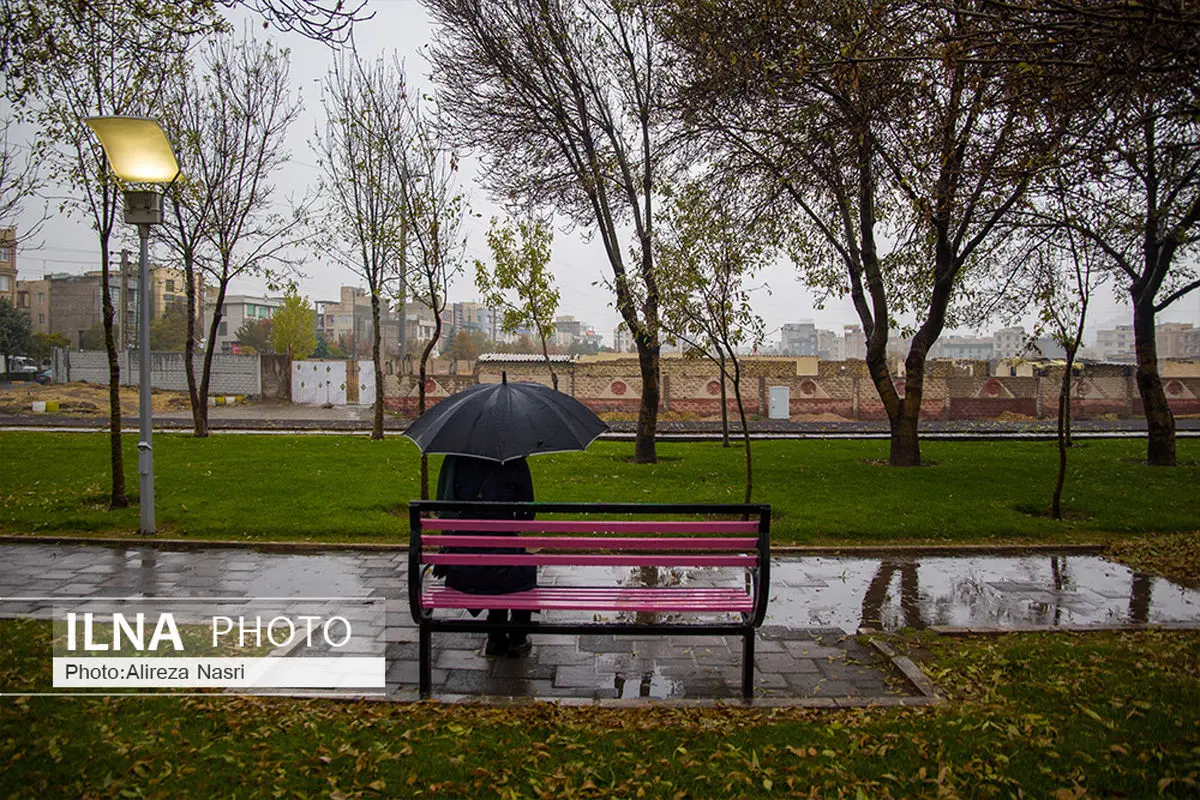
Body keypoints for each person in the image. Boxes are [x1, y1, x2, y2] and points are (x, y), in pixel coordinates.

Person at [435, 454, 536, 657]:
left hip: (463, 570)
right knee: (518, 564)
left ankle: (496, 636)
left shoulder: (455, 460)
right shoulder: (514, 461)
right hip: (505, 570)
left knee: (497, 560)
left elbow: (443, 508)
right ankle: (517, 637)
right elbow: (528, 513)